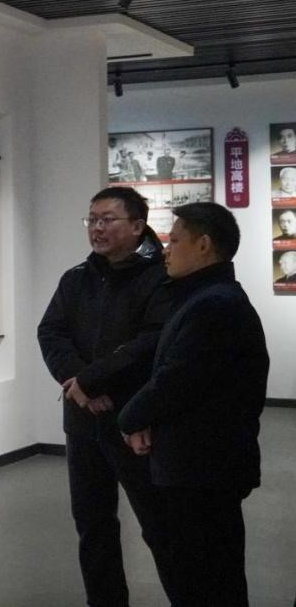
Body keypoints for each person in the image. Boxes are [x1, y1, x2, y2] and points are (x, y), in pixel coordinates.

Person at [118, 202, 269, 607]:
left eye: (174, 240)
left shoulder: (214, 306)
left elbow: (177, 379)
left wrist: (130, 417)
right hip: (198, 466)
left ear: (203, 245)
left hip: (204, 469)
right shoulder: (203, 299)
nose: (166, 250)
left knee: (207, 579)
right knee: (205, 574)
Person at [38, 186, 177, 605]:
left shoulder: (162, 279)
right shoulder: (76, 278)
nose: (97, 228)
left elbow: (150, 344)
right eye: (92, 220)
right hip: (83, 422)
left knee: (161, 525)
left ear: (137, 226)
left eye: (107, 220)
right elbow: (51, 333)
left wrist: (91, 381)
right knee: (93, 525)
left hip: (135, 422)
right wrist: (79, 383)